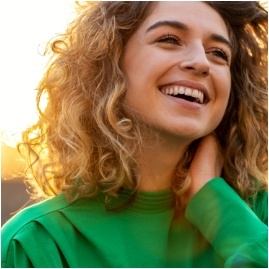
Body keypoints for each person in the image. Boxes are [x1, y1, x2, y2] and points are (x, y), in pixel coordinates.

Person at [1, 1, 268, 268]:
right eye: (169, 39)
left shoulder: (259, 217)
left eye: (219, 53)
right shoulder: (34, 244)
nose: (201, 62)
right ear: (108, 62)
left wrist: (216, 205)